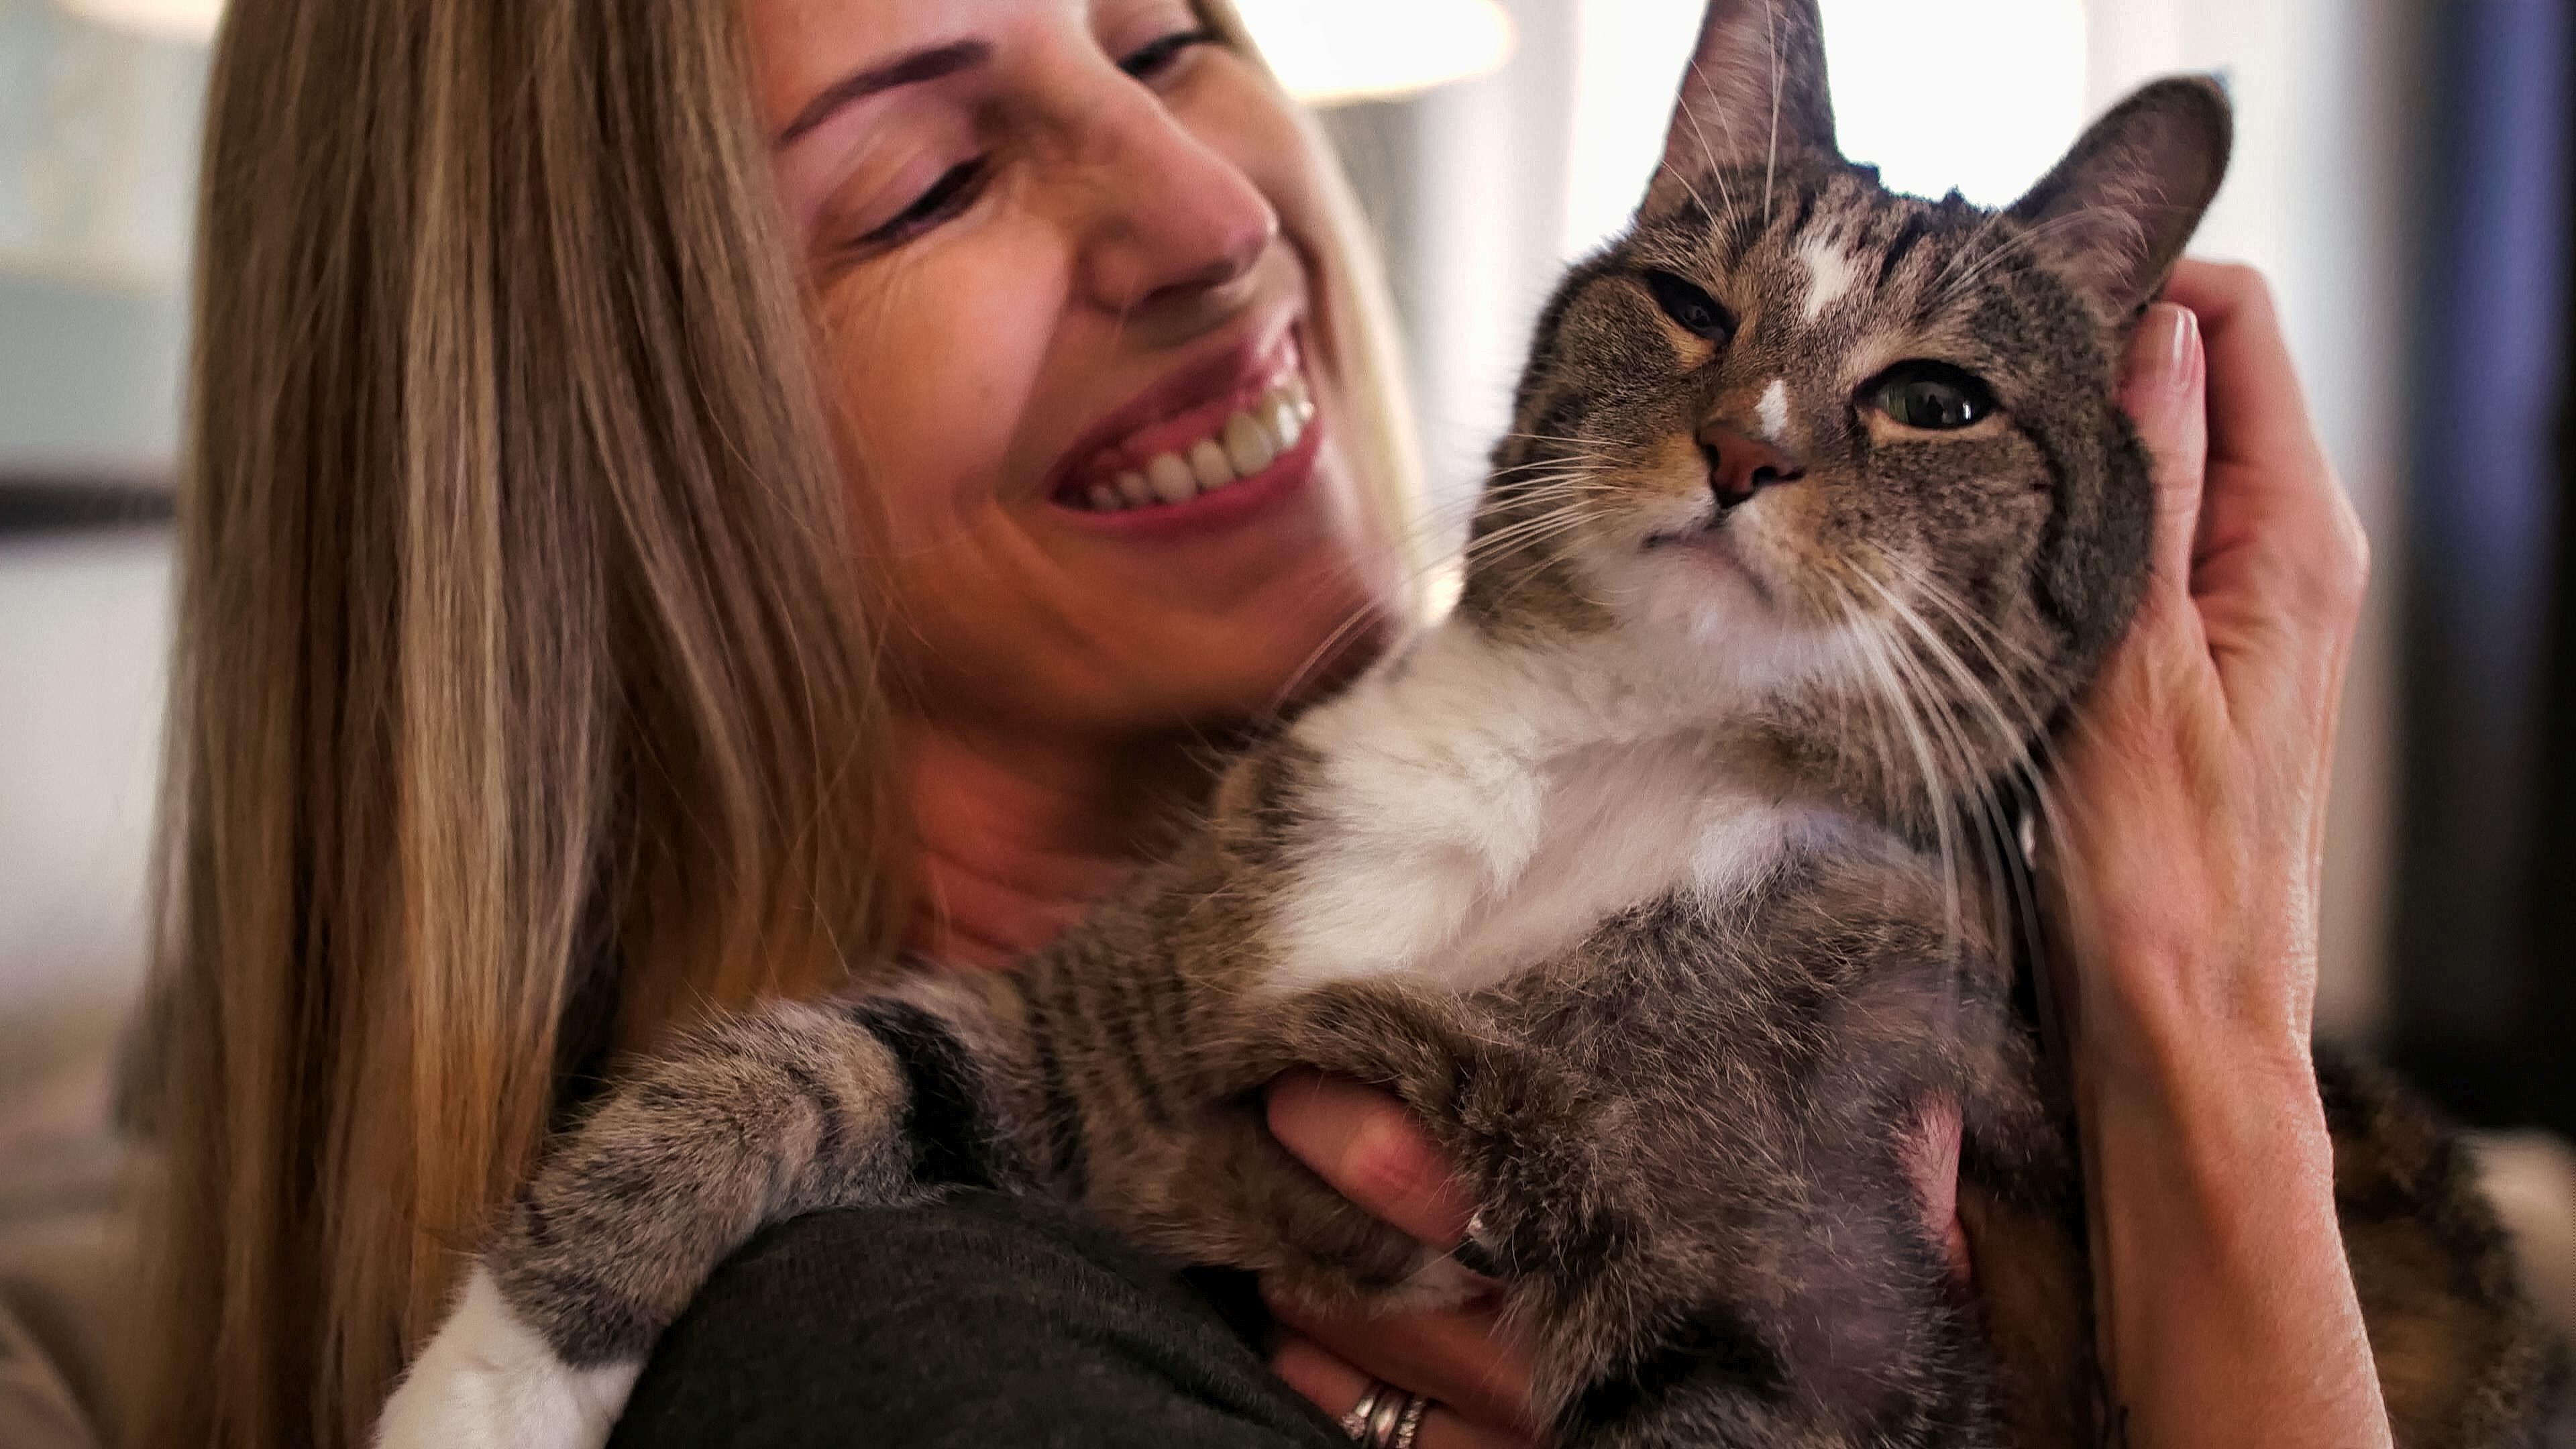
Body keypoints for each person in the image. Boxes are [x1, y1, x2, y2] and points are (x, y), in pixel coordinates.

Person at [119, 1, 2384, 1447]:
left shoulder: (1808, 914)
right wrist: (2210, 1072)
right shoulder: (886, 1360)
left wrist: (2198, 1023)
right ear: (584, 467)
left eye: (1172, 34)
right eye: (929, 184)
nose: (1217, 214)